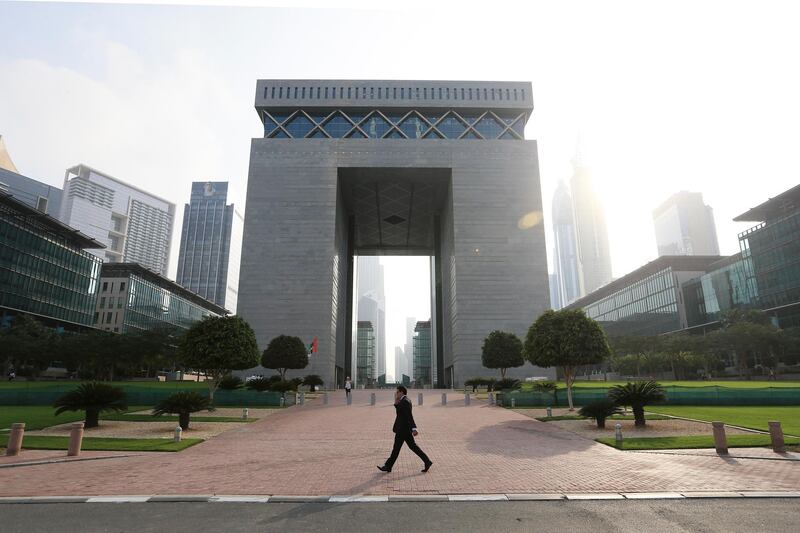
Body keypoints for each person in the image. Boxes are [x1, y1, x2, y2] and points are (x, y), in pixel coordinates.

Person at [378, 385, 432, 473]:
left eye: (397, 392)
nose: (396, 394)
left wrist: (414, 428)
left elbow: (409, 416)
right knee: (412, 447)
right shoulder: (404, 400)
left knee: (396, 449)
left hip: (402, 430)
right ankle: (427, 461)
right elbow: (400, 410)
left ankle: (388, 466)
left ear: (402, 392)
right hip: (404, 429)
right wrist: (396, 401)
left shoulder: (405, 401)